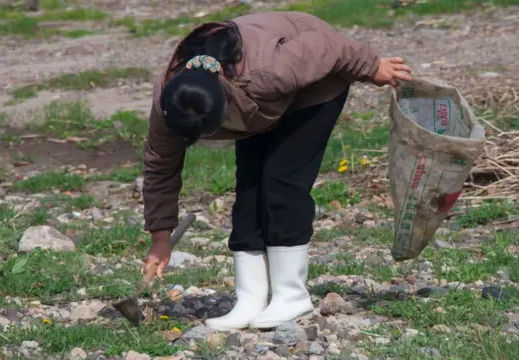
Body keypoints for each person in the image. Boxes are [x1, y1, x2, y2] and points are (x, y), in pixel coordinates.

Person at [141, 11, 412, 331]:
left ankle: (291, 295)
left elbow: (328, 46)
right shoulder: (170, 104)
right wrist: (161, 236)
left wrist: (372, 67)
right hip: (260, 105)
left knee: (282, 183)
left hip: (315, 86)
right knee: (250, 193)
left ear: (223, 104)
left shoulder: (269, 69)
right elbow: (160, 165)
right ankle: (250, 298)